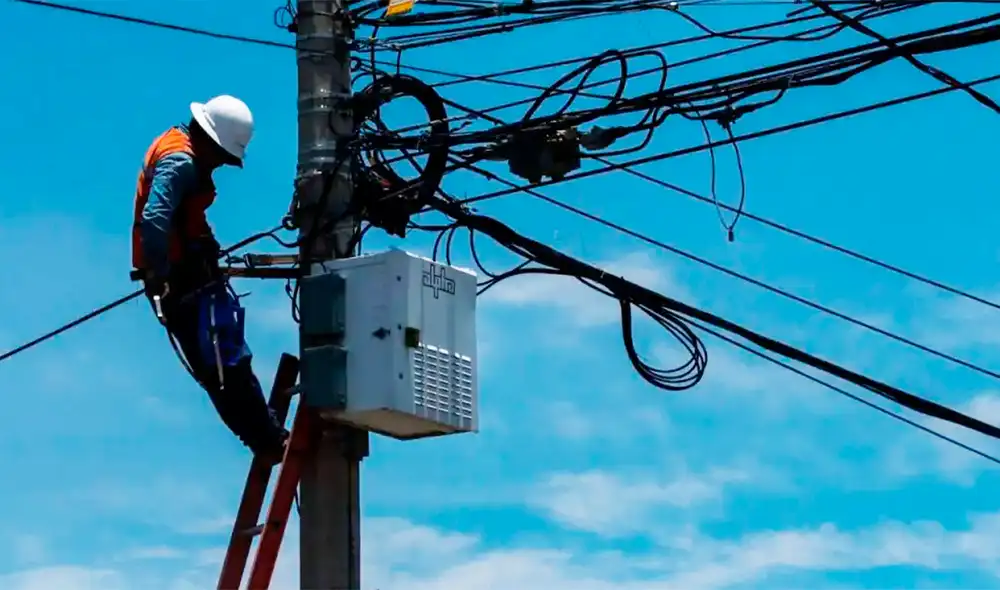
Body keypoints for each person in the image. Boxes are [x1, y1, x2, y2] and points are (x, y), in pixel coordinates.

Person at [131, 95, 288, 462]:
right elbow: (155, 221)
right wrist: (160, 274)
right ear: (212, 140)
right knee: (225, 366)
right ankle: (266, 438)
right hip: (184, 284)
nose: (220, 165)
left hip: (187, 278)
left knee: (221, 367)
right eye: (222, 156)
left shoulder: (177, 147)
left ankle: (263, 436)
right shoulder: (181, 161)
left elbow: (178, 220)